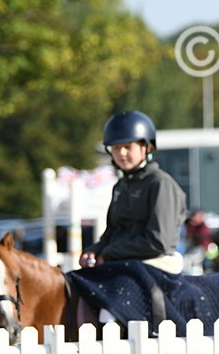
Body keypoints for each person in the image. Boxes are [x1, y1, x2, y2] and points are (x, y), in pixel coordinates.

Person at [79, 110, 187, 274]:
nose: (121, 153)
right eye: (116, 148)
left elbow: (158, 242)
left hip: (155, 264)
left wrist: (108, 253)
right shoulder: (121, 186)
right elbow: (112, 233)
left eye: (128, 147)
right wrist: (94, 250)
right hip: (122, 261)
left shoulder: (160, 183)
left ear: (147, 147)